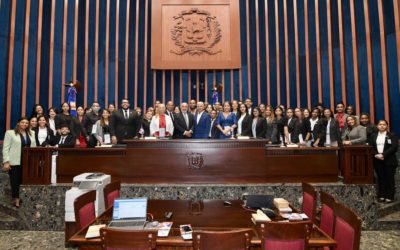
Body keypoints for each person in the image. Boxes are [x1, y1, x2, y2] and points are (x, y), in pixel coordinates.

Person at [2, 117, 36, 208]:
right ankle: (16, 199)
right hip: (15, 161)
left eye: (26, 123)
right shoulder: (10, 133)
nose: (24, 124)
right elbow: (5, 148)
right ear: (18, 123)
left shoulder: (32, 133)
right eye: (22, 122)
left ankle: (24, 197)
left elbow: (34, 147)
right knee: (15, 181)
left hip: (28, 161)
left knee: (24, 180)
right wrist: (6, 161)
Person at [370, 120, 398, 203]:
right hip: (377, 160)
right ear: (377, 126)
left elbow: (394, 147)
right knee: (381, 178)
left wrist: (383, 155)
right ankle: (381, 195)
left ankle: (390, 196)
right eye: (380, 124)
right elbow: (371, 147)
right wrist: (376, 155)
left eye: (384, 124)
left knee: (389, 178)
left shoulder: (391, 135)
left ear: (387, 126)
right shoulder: (373, 135)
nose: (382, 126)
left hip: (389, 160)